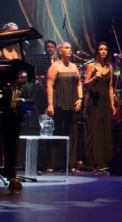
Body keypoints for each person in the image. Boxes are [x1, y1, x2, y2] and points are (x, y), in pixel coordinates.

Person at [46, 42, 84, 172]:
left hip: (73, 103)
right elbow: (49, 86)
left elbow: (79, 84)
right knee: (56, 132)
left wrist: (80, 99)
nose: (70, 50)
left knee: (72, 133)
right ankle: (52, 164)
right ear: (60, 51)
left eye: (70, 48)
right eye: (67, 48)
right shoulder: (55, 66)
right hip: (59, 103)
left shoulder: (74, 66)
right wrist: (50, 104)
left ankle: (71, 164)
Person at [83, 41, 116, 171]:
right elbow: (85, 84)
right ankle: (95, 162)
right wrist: (93, 79)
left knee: (105, 130)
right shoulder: (92, 66)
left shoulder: (110, 68)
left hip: (105, 102)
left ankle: (106, 162)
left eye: (105, 49)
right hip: (94, 100)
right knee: (95, 130)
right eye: (101, 49)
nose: (103, 51)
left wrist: (112, 104)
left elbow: (110, 87)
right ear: (97, 52)